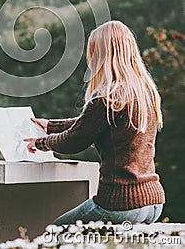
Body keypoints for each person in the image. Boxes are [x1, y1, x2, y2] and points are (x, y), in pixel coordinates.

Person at [23, 20, 165, 225]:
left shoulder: (107, 97)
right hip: (152, 202)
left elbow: (74, 141)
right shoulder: (144, 93)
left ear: (101, 55)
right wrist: (51, 126)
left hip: (121, 203)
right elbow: (91, 124)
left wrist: (40, 143)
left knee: (54, 233)